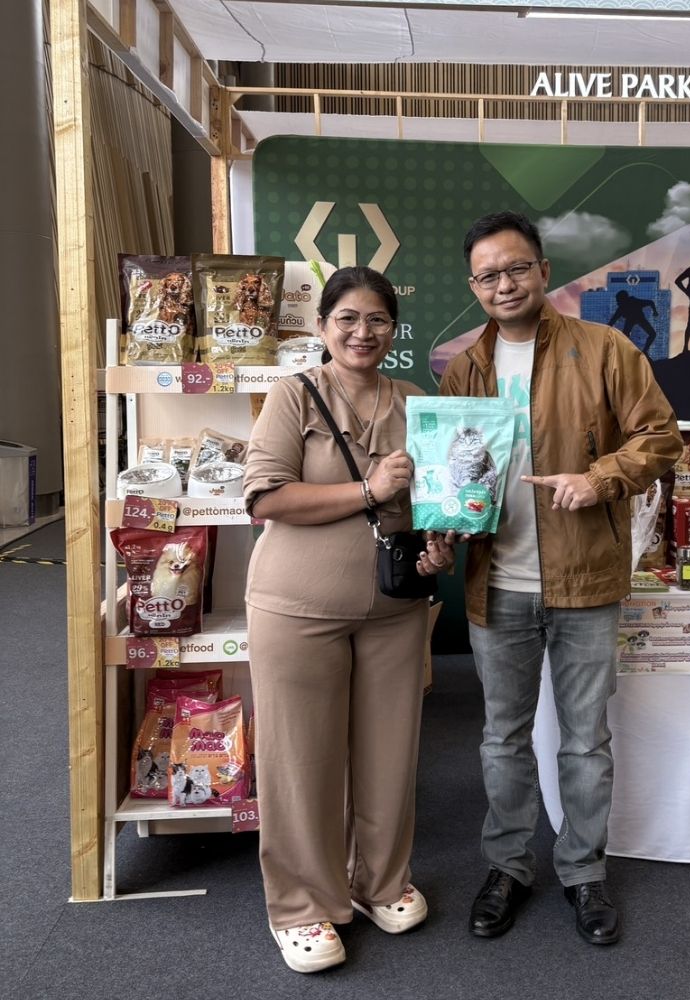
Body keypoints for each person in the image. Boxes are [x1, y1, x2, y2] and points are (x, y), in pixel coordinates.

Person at [440, 212, 682, 946]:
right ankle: (507, 867)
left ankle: (583, 871)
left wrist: (599, 478)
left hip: (585, 579)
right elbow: (454, 467)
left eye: (517, 268)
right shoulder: (465, 369)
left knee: (584, 741)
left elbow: (660, 436)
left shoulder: (604, 349)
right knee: (502, 740)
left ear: (544, 271)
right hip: (497, 582)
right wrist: (448, 513)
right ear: (473, 286)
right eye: (488, 275)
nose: (504, 284)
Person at [243, 266, 455, 974]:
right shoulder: (293, 394)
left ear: (394, 329)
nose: (363, 333)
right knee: (300, 760)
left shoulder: (415, 400)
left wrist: (438, 546)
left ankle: (379, 882)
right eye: (348, 319)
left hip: (395, 607)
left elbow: (432, 500)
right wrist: (367, 488)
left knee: (391, 754)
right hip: (296, 606)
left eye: (378, 320)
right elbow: (266, 498)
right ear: (323, 326)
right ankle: (302, 905)